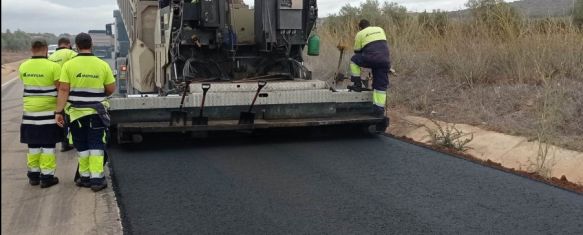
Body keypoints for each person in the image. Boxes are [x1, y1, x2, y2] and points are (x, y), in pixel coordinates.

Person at [55, 33, 116, 192]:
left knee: (81, 144)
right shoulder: (102, 64)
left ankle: (85, 177)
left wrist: (58, 112)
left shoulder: (68, 65)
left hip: (75, 114)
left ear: (76, 46)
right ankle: (97, 179)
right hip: (96, 113)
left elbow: (63, 90)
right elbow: (110, 88)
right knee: (96, 143)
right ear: (91, 45)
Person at [19, 38, 62, 188]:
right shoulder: (53, 67)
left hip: (29, 113)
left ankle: (33, 176)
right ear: (45, 49)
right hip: (48, 113)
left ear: (31, 49)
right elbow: (60, 89)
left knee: (33, 146)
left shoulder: (23, 66)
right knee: (48, 146)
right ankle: (47, 177)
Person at [348, 19, 392, 117]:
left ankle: (357, 83)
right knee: (380, 87)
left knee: (354, 60)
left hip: (371, 58)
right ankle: (379, 111)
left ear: (360, 27)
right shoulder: (380, 29)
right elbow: (381, 45)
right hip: (385, 61)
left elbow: (357, 51)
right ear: (369, 25)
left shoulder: (360, 33)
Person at [49, 37, 78, 152]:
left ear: (58, 44)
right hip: (69, 89)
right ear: (68, 44)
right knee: (72, 116)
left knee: (60, 116)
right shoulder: (72, 54)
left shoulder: (51, 57)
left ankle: (64, 143)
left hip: (56, 90)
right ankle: (75, 140)